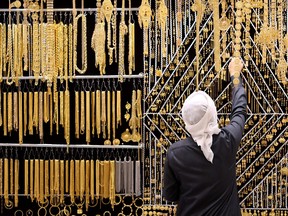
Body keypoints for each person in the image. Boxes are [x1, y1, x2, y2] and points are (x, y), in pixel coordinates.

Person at [163, 57, 247, 216]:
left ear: (187, 120)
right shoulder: (227, 142)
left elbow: (171, 195)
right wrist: (235, 76)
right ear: (212, 114)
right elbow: (239, 111)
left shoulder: (175, 153)